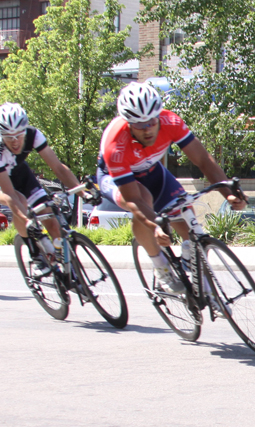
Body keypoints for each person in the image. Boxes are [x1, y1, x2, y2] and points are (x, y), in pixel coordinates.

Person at [97, 81, 244, 292]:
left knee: (185, 211)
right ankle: (161, 267)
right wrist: (154, 225)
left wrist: (228, 193)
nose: (147, 129)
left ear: (159, 115)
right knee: (144, 200)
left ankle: (188, 262)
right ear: (128, 123)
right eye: (139, 125)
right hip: (114, 177)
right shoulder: (115, 145)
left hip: (151, 170)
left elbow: (203, 160)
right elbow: (134, 199)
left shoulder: (170, 122)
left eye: (151, 121)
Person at [0, 103, 83, 266]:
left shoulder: (33, 134)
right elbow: (10, 194)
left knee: (52, 221)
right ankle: (35, 256)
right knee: (20, 200)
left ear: (25, 130)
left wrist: (83, 192)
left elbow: (58, 167)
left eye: (18, 136)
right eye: (9, 137)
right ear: (0, 135)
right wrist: (27, 222)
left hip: (19, 172)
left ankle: (63, 266)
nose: (15, 142)